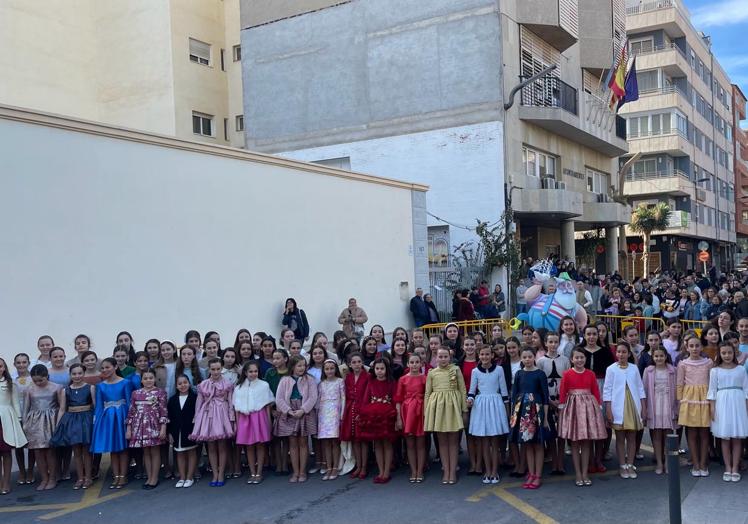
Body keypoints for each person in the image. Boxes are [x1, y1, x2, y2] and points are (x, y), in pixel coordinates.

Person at [558, 348, 606, 487]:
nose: (579, 360)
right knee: (574, 442)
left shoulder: (590, 374)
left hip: (588, 408)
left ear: (585, 359)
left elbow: (595, 391)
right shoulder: (567, 374)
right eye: (577, 358)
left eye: (582, 357)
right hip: (573, 407)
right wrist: (561, 406)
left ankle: (585, 473)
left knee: (586, 442)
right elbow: (563, 391)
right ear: (572, 359)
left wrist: (598, 405)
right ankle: (578, 473)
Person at [603, 342, 646, 480]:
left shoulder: (634, 368)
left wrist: (643, 407)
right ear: (616, 354)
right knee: (620, 437)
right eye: (619, 352)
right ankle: (622, 465)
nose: (621, 354)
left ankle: (630, 463)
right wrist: (608, 409)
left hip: (633, 405)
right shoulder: (611, 369)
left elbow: (640, 388)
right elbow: (607, 390)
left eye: (624, 352)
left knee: (632, 437)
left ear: (629, 353)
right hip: (618, 406)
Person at [424, 348, 468, 485]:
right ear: (436, 358)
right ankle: (446, 470)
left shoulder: (456, 370)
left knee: (454, 442)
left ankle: (453, 471)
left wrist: (464, 409)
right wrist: (427, 412)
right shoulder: (432, 373)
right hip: (438, 408)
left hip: (453, 407)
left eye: (445, 356)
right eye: (440, 356)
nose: (443, 359)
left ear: (449, 357)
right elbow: (427, 393)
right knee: (442, 442)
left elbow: (462, 390)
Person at [189, 359, 235, 487]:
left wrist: (232, 418)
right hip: (207, 414)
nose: (215, 372)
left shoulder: (227, 384)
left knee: (222, 445)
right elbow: (199, 402)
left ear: (221, 369)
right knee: (211, 447)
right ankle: (215, 473)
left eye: (218, 369)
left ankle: (221, 473)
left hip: (222, 414)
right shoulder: (203, 384)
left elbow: (231, 402)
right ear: (209, 369)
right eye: (213, 369)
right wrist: (197, 418)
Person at [509, 348, 550, 490]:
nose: (527, 359)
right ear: (521, 358)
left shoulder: (540, 374)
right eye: (524, 357)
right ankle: (531, 473)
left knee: (538, 445)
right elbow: (514, 397)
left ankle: (538, 474)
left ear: (534, 357)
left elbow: (545, 397)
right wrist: (513, 416)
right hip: (521, 412)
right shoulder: (519, 374)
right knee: (526, 444)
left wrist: (544, 419)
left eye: (529, 356)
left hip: (536, 412)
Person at [706, 343, 748, 482]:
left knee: (736, 438)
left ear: (734, 353)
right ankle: (727, 467)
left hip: (738, 404)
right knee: (724, 437)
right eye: (724, 353)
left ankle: (735, 468)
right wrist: (712, 408)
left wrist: (746, 408)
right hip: (722, 404)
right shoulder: (715, 371)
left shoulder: (741, 370)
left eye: (729, 353)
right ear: (720, 354)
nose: (727, 355)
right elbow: (712, 391)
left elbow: (746, 390)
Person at [468, 346, 509, 485]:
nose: (484, 357)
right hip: (481, 407)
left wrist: (507, 411)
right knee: (484, 441)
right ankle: (487, 471)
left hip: (496, 405)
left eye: (487, 354)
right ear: (479, 356)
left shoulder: (499, 369)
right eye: (482, 354)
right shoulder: (475, 371)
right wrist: (470, 399)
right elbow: (472, 391)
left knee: (495, 440)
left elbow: (504, 391)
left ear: (492, 355)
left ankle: (494, 471)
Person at [91, 358, 133, 489]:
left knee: (123, 448)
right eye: (102, 368)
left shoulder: (125, 383)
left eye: (107, 367)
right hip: (108, 417)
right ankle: (116, 476)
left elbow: (129, 402)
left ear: (115, 367)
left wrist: (129, 420)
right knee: (113, 448)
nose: (105, 370)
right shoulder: (101, 386)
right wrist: (97, 420)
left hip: (122, 415)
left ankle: (123, 475)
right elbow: (98, 405)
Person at [50, 364, 95, 490]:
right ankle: (80, 478)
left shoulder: (90, 388)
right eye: (74, 374)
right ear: (70, 375)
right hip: (72, 420)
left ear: (84, 374)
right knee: (76, 451)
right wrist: (58, 424)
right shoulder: (65, 390)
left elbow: (95, 406)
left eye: (80, 373)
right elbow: (62, 409)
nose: (77, 376)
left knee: (86, 451)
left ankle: (88, 477)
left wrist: (95, 422)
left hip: (86, 419)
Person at [274, 356, 318, 483]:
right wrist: (288, 411)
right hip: (290, 411)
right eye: (299, 365)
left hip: (304, 411)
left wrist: (303, 410)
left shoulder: (309, 379)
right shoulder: (285, 380)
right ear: (292, 366)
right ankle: (296, 471)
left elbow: (312, 397)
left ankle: (303, 471)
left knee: (303, 442)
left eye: (304, 365)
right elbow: (279, 398)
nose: (302, 368)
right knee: (293, 443)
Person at [676, 337, 714, 477]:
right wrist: (680, 402)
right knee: (692, 433)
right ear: (687, 347)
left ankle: (704, 463)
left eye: (697, 345)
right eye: (691, 346)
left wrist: (712, 399)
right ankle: (696, 463)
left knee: (704, 433)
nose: (694, 348)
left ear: (701, 347)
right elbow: (679, 384)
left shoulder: (708, 363)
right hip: (689, 400)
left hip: (705, 399)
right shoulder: (683, 364)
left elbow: (712, 381)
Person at [125, 369, 168, 490]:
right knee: (146, 452)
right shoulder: (136, 393)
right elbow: (131, 411)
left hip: (154, 425)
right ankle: (149, 477)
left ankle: (154, 478)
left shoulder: (160, 392)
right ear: (141, 380)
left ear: (155, 379)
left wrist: (163, 428)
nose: (148, 380)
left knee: (155, 451)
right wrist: (129, 428)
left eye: (151, 378)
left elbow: (163, 411)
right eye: (145, 378)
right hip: (139, 425)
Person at [233, 361, 274, 485]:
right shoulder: (238, 388)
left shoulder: (264, 385)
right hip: (245, 418)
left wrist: (268, 423)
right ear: (245, 372)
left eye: (255, 371)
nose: (253, 374)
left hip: (259, 417)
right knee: (249, 446)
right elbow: (236, 407)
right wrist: (236, 424)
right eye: (250, 371)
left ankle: (259, 472)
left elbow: (267, 405)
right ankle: (252, 472)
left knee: (260, 445)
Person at [358, 359, 398, 484]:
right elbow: (366, 399)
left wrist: (396, 417)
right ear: (374, 370)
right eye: (377, 369)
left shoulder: (391, 382)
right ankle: (380, 471)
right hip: (373, 416)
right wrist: (361, 414)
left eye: (382, 368)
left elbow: (395, 400)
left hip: (387, 416)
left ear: (387, 369)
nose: (379, 371)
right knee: (377, 444)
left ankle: (386, 471)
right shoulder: (371, 382)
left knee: (387, 443)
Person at [24, 364, 62, 491]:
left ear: (47, 376)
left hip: (51, 419)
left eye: (41, 380)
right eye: (35, 381)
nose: (38, 383)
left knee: (50, 450)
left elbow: (61, 406)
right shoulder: (29, 389)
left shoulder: (56, 387)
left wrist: (59, 422)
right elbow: (26, 408)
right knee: (38, 451)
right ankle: (44, 478)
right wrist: (25, 424)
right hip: (34, 421)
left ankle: (52, 478)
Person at [537, 332, 569, 475]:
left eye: (556, 342)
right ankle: (553, 461)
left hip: (562, 400)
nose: (553, 345)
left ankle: (560, 463)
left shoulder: (565, 360)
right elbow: (540, 384)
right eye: (550, 342)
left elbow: (568, 381)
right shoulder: (540, 362)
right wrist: (549, 401)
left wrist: (562, 400)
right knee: (551, 433)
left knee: (562, 433)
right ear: (546, 343)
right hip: (547, 401)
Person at [642, 347, 678, 475]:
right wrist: (644, 409)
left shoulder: (673, 370)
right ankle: (659, 462)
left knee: (668, 435)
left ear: (666, 356)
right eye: (656, 356)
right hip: (654, 405)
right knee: (656, 435)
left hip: (668, 405)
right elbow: (644, 391)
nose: (659, 358)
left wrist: (677, 407)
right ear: (652, 357)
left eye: (661, 356)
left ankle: (668, 462)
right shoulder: (649, 371)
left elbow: (677, 390)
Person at [395, 353, 427, 483]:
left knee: (420, 443)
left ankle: (420, 470)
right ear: (407, 364)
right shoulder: (402, 379)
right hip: (407, 412)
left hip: (420, 410)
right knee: (410, 444)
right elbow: (398, 399)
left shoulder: (425, 378)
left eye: (417, 362)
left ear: (421, 364)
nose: (414, 365)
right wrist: (398, 418)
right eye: (411, 362)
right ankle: (413, 470)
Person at [0, 357, 28, 495]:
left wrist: (18, 419)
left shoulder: (11, 384)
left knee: (6, 451)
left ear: (4, 368)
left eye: (0, 366)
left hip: (6, 418)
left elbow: (15, 403)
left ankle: (6, 482)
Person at [341, 352, 370, 479]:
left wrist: (363, 411)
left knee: (363, 439)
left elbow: (368, 394)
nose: (357, 364)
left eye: (359, 362)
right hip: (350, 409)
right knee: (354, 440)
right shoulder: (348, 377)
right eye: (354, 362)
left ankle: (364, 466)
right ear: (349, 364)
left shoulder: (368, 376)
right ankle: (358, 465)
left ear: (362, 362)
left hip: (363, 409)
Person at [316, 359, 345, 481]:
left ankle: (335, 467)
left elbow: (343, 398)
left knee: (334, 441)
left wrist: (342, 415)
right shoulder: (321, 384)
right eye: (327, 369)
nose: (329, 371)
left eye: (332, 368)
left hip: (335, 412)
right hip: (323, 414)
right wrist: (317, 415)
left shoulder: (340, 382)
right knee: (326, 442)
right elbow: (318, 400)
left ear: (335, 369)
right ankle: (328, 466)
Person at [167, 375, 198, 489]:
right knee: (179, 453)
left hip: (190, 430)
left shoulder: (194, 398)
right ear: (176, 386)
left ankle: (190, 477)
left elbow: (197, 415)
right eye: (180, 383)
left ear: (189, 383)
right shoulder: (172, 400)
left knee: (191, 453)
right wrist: (169, 433)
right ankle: (182, 477)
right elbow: (169, 417)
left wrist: (196, 431)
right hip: (176, 431)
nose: (183, 385)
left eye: (185, 382)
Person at [11, 354, 34, 486]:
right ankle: (21, 471)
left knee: (31, 444)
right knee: (18, 444)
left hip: (31, 413)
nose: (21, 365)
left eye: (24, 362)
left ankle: (30, 470)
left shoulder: (33, 378)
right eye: (18, 363)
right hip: (16, 413)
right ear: (14, 364)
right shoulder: (12, 379)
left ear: (28, 363)